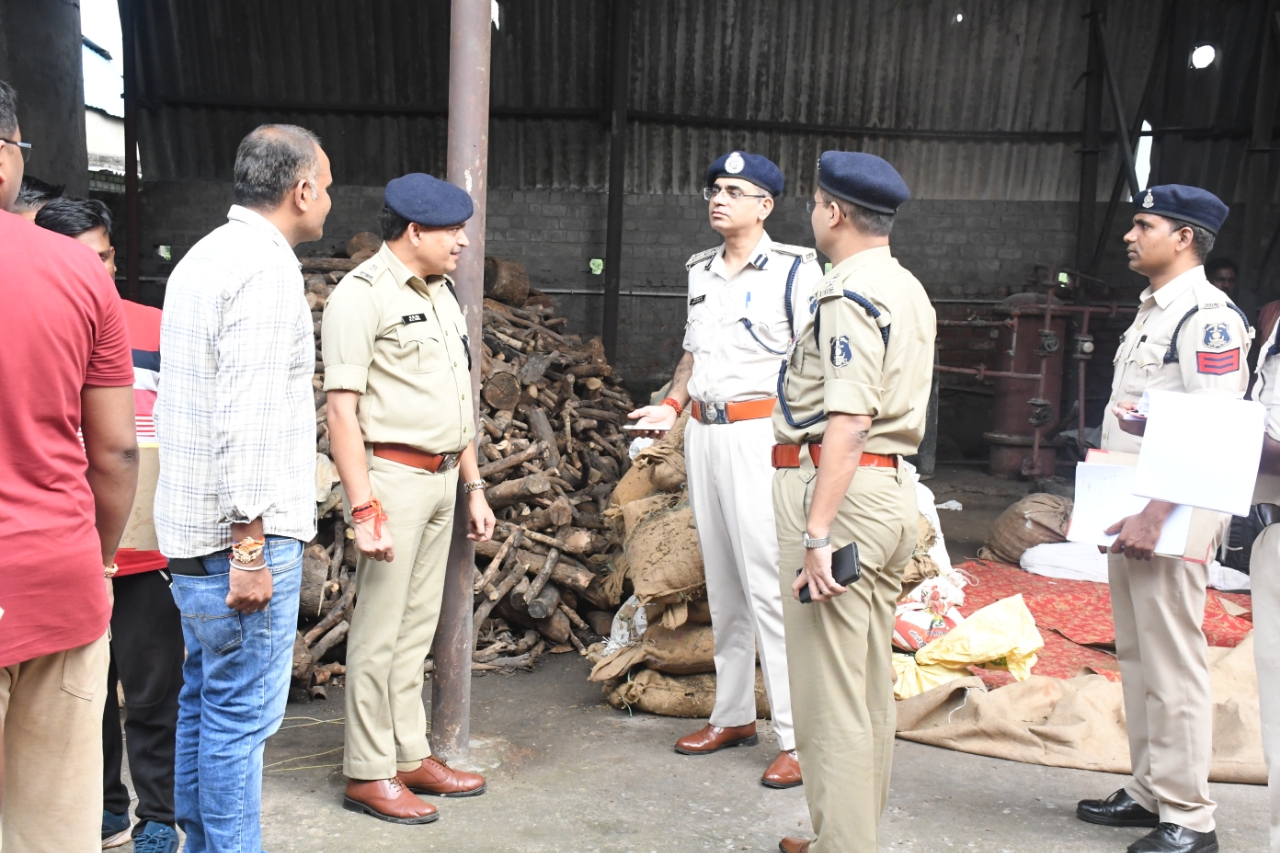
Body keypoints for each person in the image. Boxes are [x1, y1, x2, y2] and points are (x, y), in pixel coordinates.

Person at [153, 124, 332, 853]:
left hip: (188, 534)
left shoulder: (201, 257)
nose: (328, 197)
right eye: (326, 182)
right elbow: (249, 412)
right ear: (300, 190)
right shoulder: (266, 269)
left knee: (203, 703)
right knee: (239, 722)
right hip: (237, 544)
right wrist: (251, 547)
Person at [629, 151, 821, 788]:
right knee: (724, 581)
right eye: (715, 189)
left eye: (736, 191)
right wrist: (672, 406)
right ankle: (734, 713)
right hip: (704, 435)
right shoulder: (701, 270)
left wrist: (806, 453)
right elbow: (692, 353)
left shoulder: (796, 271)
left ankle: (797, 737)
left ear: (765, 206)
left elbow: (814, 366)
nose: (719, 199)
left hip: (760, 436)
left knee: (769, 583)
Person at [772, 151, 935, 853]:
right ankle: (849, 831)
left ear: (833, 211)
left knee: (828, 695)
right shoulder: (907, 286)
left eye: (813, 204)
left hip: (844, 493)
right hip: (890, 487)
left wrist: (816, 531)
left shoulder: (846, 292)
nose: (813, 215)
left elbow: (849, 417)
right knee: (865, 684)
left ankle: (845, 843)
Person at [1077, 185, 1248, 853]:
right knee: (1139, 654)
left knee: (1174, 661)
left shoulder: (1207, 317)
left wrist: (1153, 514)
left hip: (1171, 514)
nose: (1128, 233)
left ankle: (1192, 817)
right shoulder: (1155, 309)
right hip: (1136, 506)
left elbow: (1214, 433)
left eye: (1143, 223)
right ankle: (1152, 790)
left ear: (1184, 237)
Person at [323, 173, 494, 824]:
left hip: (443, 477)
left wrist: (473, 483)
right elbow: (342, 412)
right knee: (378, 631)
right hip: (391, 478)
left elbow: (458, 401)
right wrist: (364, 507)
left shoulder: (442, 293)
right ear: (415, 232)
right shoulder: (361, 296)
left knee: (416, 626)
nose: (463, 242)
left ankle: (406, 752)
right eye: (453, 231)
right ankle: (368, 770)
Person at [0, 78, 141, 852]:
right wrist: (99, 557)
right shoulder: (80, 272)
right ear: (3, 160)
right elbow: (115, 451)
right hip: (58, 573)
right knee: (53, 827)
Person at [33, 196, 183, 853]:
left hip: (145, 546)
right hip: (69, 544)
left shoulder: (156, 325)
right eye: (76, 260)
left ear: (115, 258)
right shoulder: (39, 321)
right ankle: (104, 808)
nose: (92, 273)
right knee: (82, 696)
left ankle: (158, 811)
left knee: (152, 689)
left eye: (101, 258)